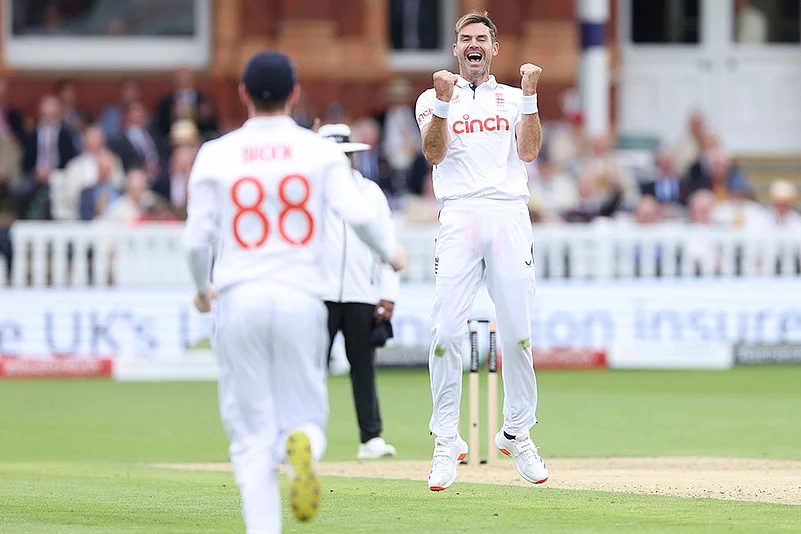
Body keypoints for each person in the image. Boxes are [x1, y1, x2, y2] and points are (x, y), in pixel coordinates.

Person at [182, 51, 406, 533]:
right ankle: (303, 441)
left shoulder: (216, 153)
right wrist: (390, 253)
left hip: (239, 296)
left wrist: (202, 289)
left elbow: (196, 239)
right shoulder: (318, 151)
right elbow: (360, 214)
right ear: (295, 93)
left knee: (250, 437)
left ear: (243, 93)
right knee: (305, 414)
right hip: (303, 296)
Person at [415, 10, 548, 491]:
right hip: (459, 215)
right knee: (445, 332)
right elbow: (434, 154)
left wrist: (530, 97)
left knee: (517, 334)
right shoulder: (432, 98)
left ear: (494, 48)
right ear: (456, 49)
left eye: (481, 39)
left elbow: (529, 152)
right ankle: (446, 438)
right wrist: (446, 104)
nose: (473, 45)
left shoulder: (514, 97)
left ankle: (516, 431)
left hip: (510, 213)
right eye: (465, 38)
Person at [317, 123, 400, 460]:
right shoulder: (307, 194)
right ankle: (294, 437)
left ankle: (371, 437)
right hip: (317, 293)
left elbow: (387, 244)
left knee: (363, 366)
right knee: (309, 369)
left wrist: (388, 293)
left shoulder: (370, 193)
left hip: (361, 292)